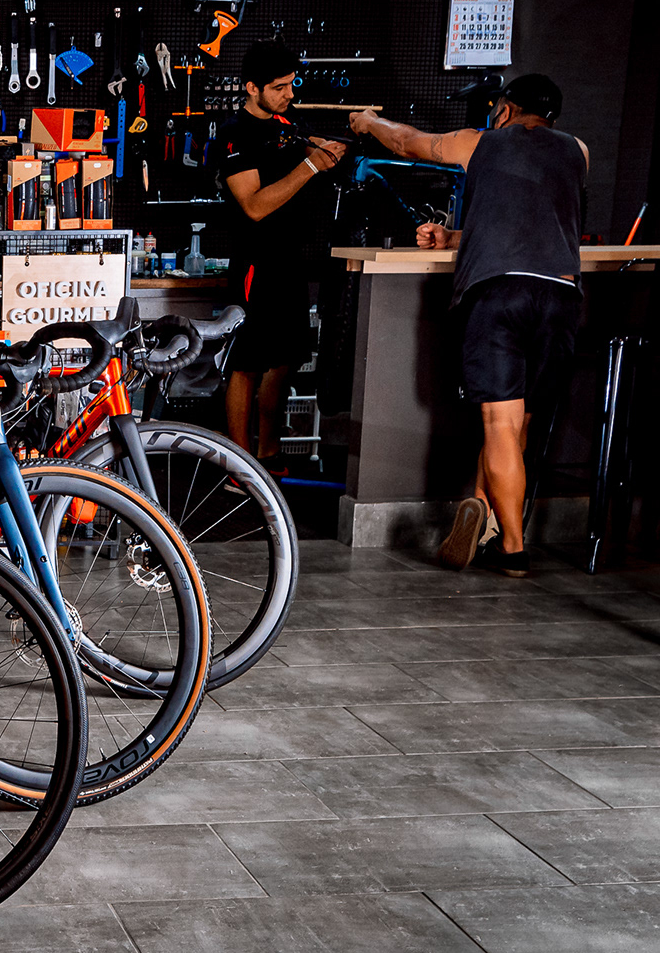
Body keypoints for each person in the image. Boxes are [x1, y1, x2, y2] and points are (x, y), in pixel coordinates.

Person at [351, 74, 588, 577]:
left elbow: (406, 142)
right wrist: (454, 236)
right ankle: (483, 511)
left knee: (499, 423)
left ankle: (514, 549)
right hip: (561, 297)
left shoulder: (478, 142)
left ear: (505, 109)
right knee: (518, 424)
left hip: (499, 292)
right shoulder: (578, 151)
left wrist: (370, 122)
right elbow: (531, 215)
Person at [217, 40, 348, 472]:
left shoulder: (287, 122)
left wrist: (326, 149)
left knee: (285, 359)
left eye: (292, 84)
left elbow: (308, 150)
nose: (290, 94)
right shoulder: (235, 135)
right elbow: (253, 206)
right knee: (248, 363)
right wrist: (309, 167)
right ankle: (240, 467)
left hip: (292, 260)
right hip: (257, 263)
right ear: (251, 88)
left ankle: (268, 455)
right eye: (279, 87)